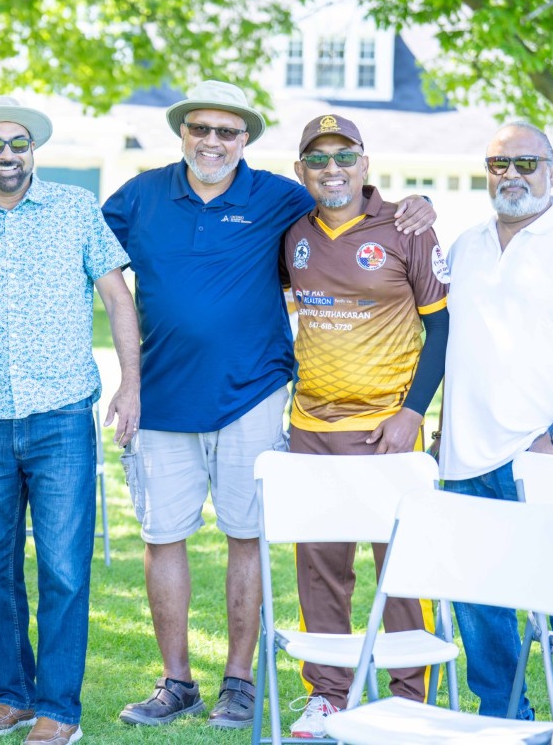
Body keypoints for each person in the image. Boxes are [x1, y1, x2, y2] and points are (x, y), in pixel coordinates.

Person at [102, 80, 435, 730]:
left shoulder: (280, 197)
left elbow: (350, 202)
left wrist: (416, 205)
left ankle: (240, 683)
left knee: (247, 536)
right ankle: (176, 682)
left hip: (253, 395)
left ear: (245, 140)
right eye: (200, 128)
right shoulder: (140, 195)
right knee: (163, 537)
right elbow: (82, 246)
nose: (212, 141)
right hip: (161, 397)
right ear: (182, 133)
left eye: (227, 131)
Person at [0, 97, 140, 745]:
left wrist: (130, 385)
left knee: (63, 570)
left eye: (18, 143)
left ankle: (59, 709)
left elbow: (117, 297)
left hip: (61, 418)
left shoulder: (75, 209)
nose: (7, 154)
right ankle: (12, 697)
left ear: (33, 151)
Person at [439, 121, 553, 739]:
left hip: (550, 461)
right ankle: (503, 719)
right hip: (465, 458)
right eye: (499, 164)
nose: (511, 175)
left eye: (525, 163)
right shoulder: (465, 246)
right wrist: (442, 431)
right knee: (479, 600)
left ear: (551, 171)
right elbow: (458, 346)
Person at [280, 114, 449, 737]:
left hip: (387, 429)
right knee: (320, 566)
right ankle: (328, 695)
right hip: (311, 426)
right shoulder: (292, 231)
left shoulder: (407, 227)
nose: (333, 169)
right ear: (302, 171)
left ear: (365, 163)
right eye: (318, 159)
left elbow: (442, 327)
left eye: (344, 156)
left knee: (403, 567)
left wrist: (413, 412)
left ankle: (410, 699)